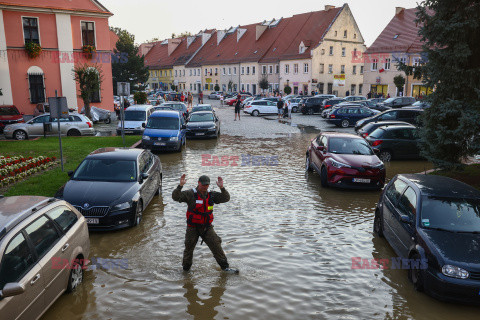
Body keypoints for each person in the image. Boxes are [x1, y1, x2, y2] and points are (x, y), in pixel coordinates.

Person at [172, 174, 237, 273]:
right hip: (192, 227)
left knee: (216, 245)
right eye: (203, 185)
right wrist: (180, 186)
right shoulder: (190, 194)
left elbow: (226, 198)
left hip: (207, 228)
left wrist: (222, 187)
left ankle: (225, 268)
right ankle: (186, 271)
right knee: (188, 249)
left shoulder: (211, 195)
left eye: (207, 185)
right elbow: (175, 197)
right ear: (198, 183)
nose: (205, 187)